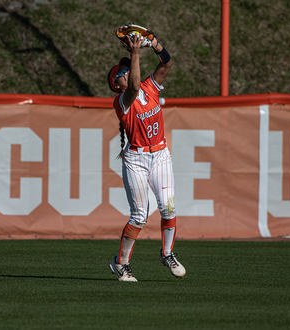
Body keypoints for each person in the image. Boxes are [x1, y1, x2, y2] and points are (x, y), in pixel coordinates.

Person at [107, 30, 185, 281]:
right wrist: (136, 53)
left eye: (128, 68)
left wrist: (155, 44)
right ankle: (121, 263)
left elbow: (167, 63)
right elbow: (132, 87)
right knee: (140, 216)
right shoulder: (121, 101)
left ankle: (167, 253)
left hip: (160, 154)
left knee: (169, 207)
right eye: (123, 72)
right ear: (116, 84)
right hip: (137, 160)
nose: (128, 72)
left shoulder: (150, 87)